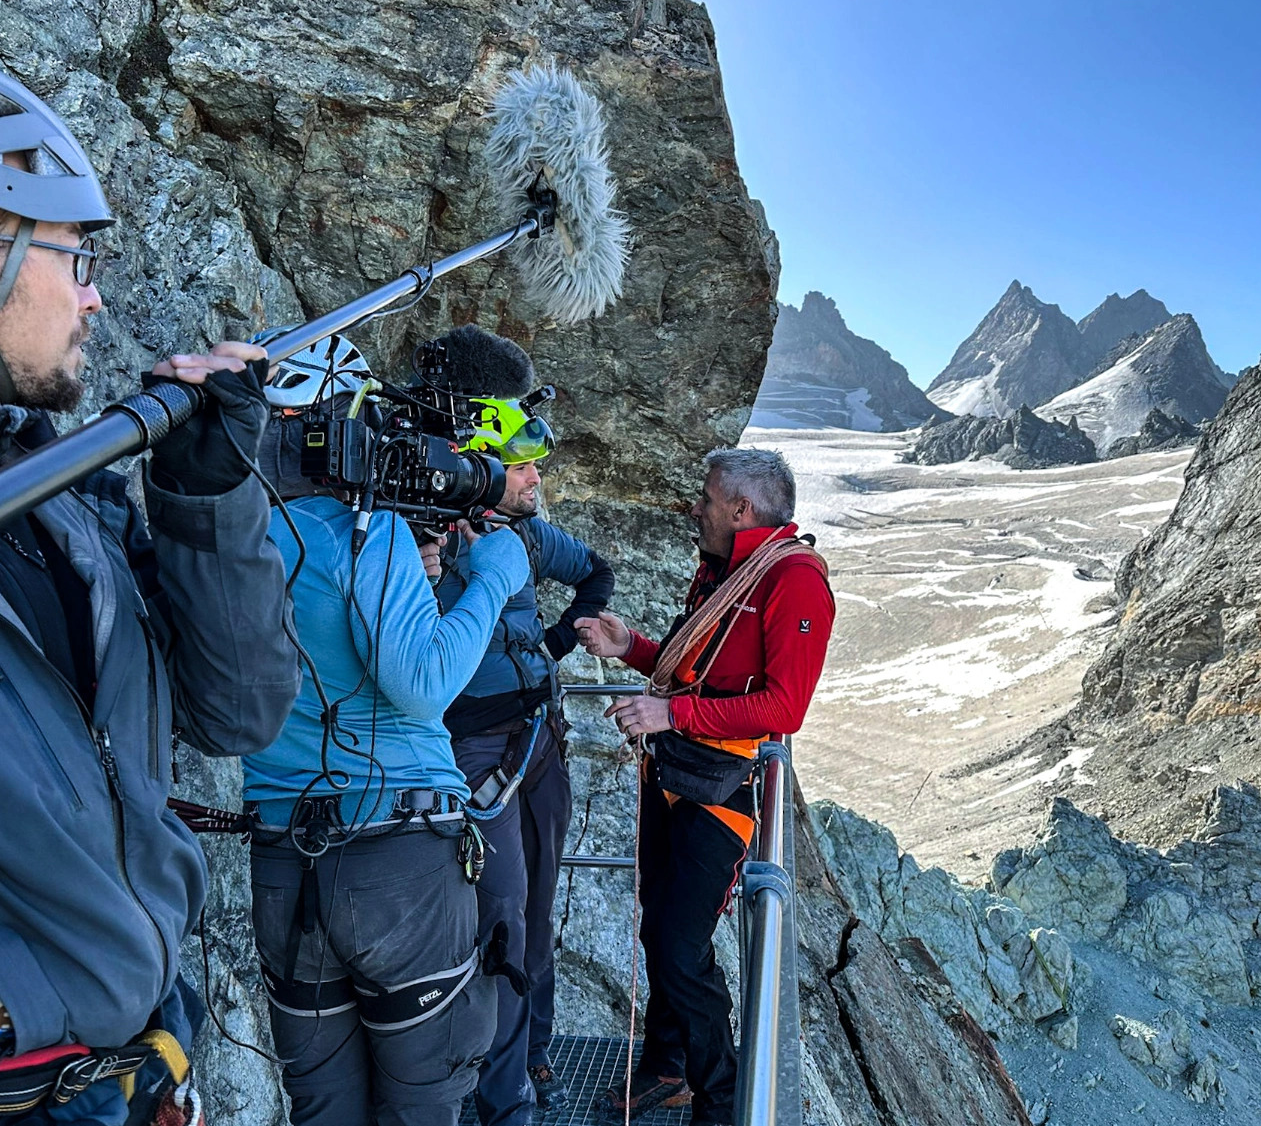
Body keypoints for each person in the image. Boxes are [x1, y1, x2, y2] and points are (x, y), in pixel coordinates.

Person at [0, 42, 300, 1125]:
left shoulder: (57, 495)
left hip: (130, 1069)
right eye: (73, 257)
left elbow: (241, 709)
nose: (95, 298)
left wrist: (208, 503)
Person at [243, 335, 531, 1126]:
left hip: (280, 853)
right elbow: (425, 681)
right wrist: (495, 580)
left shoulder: (235, 535)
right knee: (422, 1098)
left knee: (322, 1107)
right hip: (398, 858)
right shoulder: (364, 530)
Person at [576, 448, 834, 1126]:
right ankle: (666, 1064)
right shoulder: (728, 568)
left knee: (678, 943)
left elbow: (784, 707)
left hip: (723, 783)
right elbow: (694, 661)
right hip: (679, 768)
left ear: (739, 509)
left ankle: (719, 1099)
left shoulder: (794, 579)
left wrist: (671, 713)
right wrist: (628, 644)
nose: (695, 507)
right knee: (660, 925)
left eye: (705, 497)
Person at [430, 328, 615, 1124]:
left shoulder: (524, 533)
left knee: (533, 919)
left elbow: (594, 572)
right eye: (524, 462)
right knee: (504, 928)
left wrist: (544, 646)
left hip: (534, 740)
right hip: (474, 752)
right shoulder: (419, 539)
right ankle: (506, 1103)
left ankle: (531, 1061)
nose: (537, 475)